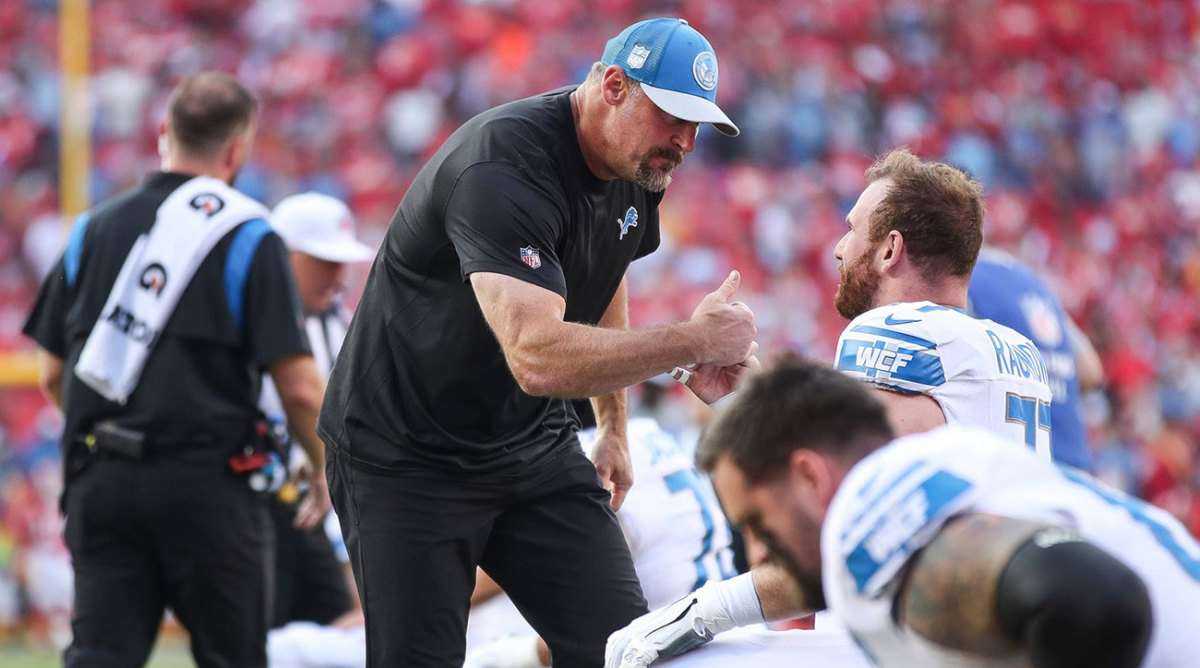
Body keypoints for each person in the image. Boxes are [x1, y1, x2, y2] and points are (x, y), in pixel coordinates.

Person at [317, 17, 756, 668]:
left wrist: (613, 426)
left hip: (527, 444)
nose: (687, 142)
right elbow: (536, 356)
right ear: (613, 86)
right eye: (674, 117)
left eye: (697, 126)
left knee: (621, 651)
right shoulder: (504, 166)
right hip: (406, 455)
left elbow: (606, 274)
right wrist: (694, 340)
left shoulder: (636, 161)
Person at [609, 149, 1060, 667]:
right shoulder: (1014, 350)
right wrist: (748, 402)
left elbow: (841, 535)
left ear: (890, 249)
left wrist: (701, 611)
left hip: (926, 641)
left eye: (853, 229)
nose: (840, 248)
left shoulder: (894, 330)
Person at [22, 72, 330, 668]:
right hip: (208, 487)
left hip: (102, 479)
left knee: (100, 657)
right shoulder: (248, 232)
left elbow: (53, 374)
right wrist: (321, 471)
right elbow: (299, 389)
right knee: (232, 657)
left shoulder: (91, 229)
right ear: (238, 149)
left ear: (164, 133)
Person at [697, 356, 1200, 667]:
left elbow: (1095, 600)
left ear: (809, 476)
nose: (757, 550)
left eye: (758, 523)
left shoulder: (869, 508)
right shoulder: (946, 462)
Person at [465, 415, 739, 668]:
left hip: (665, 645)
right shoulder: (644, 433)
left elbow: (578, 569)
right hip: (708, 634)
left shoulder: (582, 457)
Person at [261, 192, 376, 630]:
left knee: (334, 634)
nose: (338, 275)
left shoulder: (334, 322)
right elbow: (302, 398)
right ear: (282, 257)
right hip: (259, 501)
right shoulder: (256, 319)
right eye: (324, 261)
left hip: (310, 504)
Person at [969, 247, 1105, 470]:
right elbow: (1091, 371)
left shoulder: (964, 281)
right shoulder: (1033, 282)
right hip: (1075, 466)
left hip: (1017, 470)